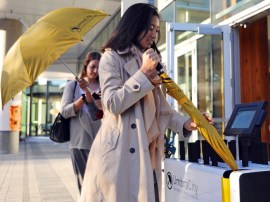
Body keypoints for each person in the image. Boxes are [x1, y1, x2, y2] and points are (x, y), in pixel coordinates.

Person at [80, 3, 212, 202]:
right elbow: (112, 103)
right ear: (134, 25)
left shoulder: (152, 61)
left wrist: (186, 123)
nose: (154, 35)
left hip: (146, 153)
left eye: (156, 30)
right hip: (119, 156)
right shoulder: (111, 57)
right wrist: (143, 73)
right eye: (150, 28)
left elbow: (162, 110)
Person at [60, 51, 103, 193]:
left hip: (101, 141)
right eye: (93, 67)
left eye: (99, 68)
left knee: (101, 185)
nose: (96, 71)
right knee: (85, 186)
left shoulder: (104, 85)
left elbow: (105, 113)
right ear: (86, 65)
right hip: (79, 143)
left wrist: (97, 101)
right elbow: (64, 112)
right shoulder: (72, 86)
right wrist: (83, 98)